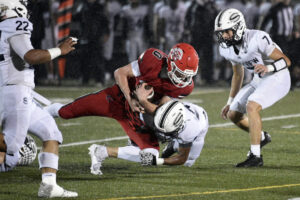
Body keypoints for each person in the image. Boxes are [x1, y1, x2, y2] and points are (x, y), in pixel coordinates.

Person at [46, 42, 199, 174]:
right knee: (66, 112)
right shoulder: (153, 59)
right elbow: (120, 73)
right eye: (181, 74)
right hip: (116, 99)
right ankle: (42, 113)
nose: (184, 80)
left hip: (137, 116)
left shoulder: (184, 88)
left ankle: (101, 152)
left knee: (150, 154)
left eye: (188, 76)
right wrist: (130, 98)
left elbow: (160, 112)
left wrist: (142, 101)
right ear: (171, 63)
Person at [0, 0, 77, 197]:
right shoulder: (15, 23)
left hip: (16, 88)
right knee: (11, 148)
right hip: (14, 90)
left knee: (51, 132)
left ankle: (49, 185)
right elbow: (31, 56)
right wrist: (60, 50)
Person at [214, 8, 291, 167]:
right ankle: (261, 137)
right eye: (222, 32)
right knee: (233, 114)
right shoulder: (226, 48)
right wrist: (230, 101)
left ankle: (255, 156)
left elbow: (286, 61)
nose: (224, 36)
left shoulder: (258, 37)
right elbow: (237, 74)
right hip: (259, 79)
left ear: (238, 26)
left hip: (278, 76)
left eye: (227, 31)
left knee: (252, 106)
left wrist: (268, 68)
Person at [88, 92, 209, 174]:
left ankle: (174, 145)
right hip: (142, 115)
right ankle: (107, 150)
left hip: (199, 122)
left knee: (190, 160)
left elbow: (182, 158)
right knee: (150, 153)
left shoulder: (191, 130)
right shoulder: (161, 106)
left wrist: (159, 161)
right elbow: (156, 101)